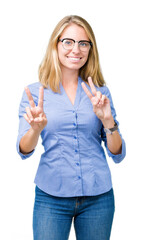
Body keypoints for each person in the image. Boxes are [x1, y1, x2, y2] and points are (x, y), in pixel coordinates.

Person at [17, 15, 126, 240]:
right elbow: (23, 150)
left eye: (83, 43)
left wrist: (108, 122)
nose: (76, 49)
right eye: (68, 41)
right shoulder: (36, 93)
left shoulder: (100, 93)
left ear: (89, 49)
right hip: (51, 197)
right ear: (55, 45)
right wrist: (35, 130)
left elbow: (117, 153)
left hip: (98, 198)